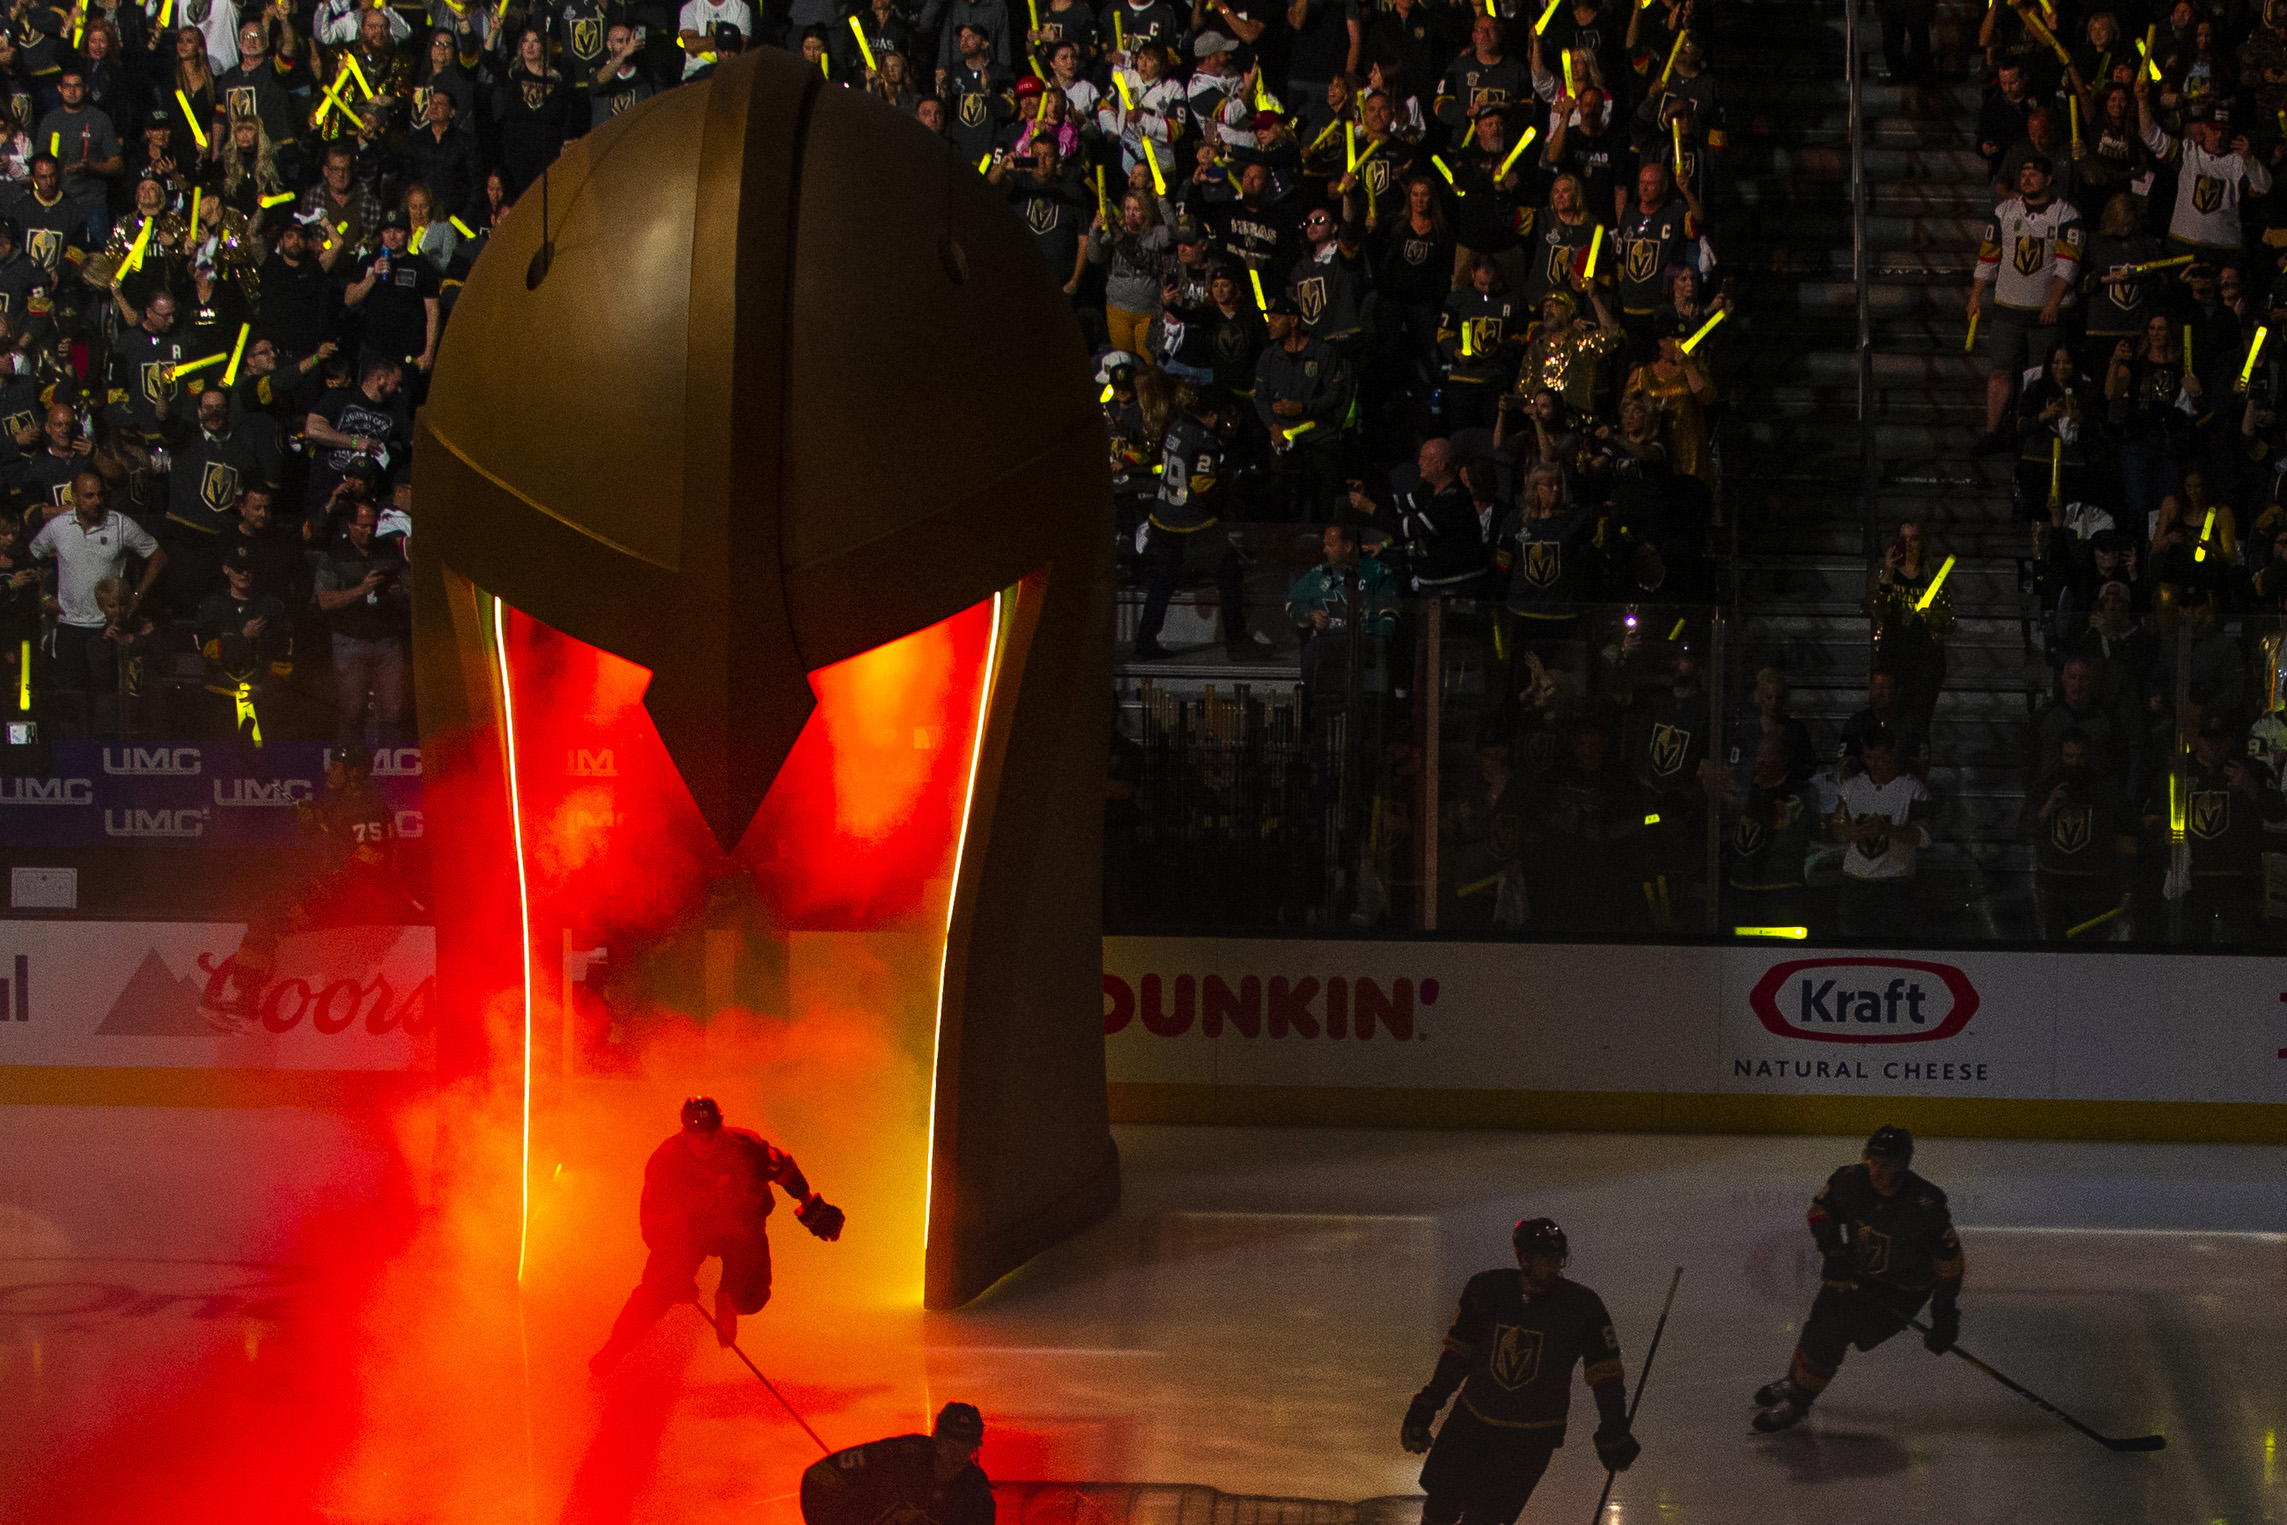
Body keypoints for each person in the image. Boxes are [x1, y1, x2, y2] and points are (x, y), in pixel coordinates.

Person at [1400, 1218, 1639, 1525]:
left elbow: (1605, 1373)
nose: (1553, 1268)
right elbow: (1458, 1355)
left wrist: (1614, 1426)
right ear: (1523, 1259)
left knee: (1485, 1518)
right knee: (1439, 1507)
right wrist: (1426, 1403)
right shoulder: (1486, 1289)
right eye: (1544, 1260)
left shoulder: (1583, 1307)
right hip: (1472, 1420)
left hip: (1531, 1437)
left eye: (1557, 1260)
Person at [591, 1096, 844, 1376]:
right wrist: (673, 1270)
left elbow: (784, 1169)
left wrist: (811, 1206)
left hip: (742, 1226)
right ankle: (612, 1352)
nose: (703, 1144)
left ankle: (730, 1299)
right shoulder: (666, 1161)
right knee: (655, 1292)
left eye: (710, 1135)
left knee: (754, 1296)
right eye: (696, 1136)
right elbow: (652, 1219)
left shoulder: (747, 1148)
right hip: (689, 1232)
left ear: (720, 1129)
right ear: (685, 1132)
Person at [1752, 1127, 1965, 1433]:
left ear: (1904, 1164)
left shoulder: (1925, 1205)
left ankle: (1799, 1401)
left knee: (1830, 1334)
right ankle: (1797, 1380)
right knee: (1818, 1326)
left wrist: (1945, 1315)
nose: (1878, 1170)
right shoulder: (1850, 1180)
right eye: (1873, 1161)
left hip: (1899, 1293)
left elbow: (1950, 1264)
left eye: (1887, 1164)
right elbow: (1820, 1210)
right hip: (1855, 1275)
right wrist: (1834, 1251)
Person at [28, 469, 163, 701]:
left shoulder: (120, 524)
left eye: (100, 495)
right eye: (89, 496)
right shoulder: (59, 526)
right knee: (71, 699)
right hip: (69, 625)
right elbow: (30, 557)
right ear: (75, 498)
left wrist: (137, 597)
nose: (97, 501)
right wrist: (42, 596)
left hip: (108, 627)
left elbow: (158, 557)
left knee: (107, 698)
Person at [800, 1403, 993, 1525]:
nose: (956, 1454)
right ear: (936, 1439)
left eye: (965, 1447)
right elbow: (820, 1475)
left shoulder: (976, 1494)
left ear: (975, 1450)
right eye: (950, 1444)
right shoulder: (897, 1456)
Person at [1831, 723, 1932, 940]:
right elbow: (1836, 828)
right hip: (1855, 882)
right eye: (1868, 757)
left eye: (1879, 757)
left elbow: (1924, 838)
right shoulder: (1851, 787)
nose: (1873, 764)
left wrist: (1888, 830)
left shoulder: (1914, 790)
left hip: (1894, 884)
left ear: (1893, 752)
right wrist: (1851, 832)